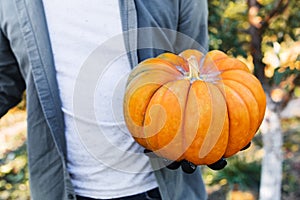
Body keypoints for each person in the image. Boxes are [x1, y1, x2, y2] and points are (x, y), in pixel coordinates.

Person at [0, 0, 209, 199]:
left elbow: (195, 67)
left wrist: (215, 124)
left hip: (160, 189)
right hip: (60, 189)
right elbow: (5, 78)